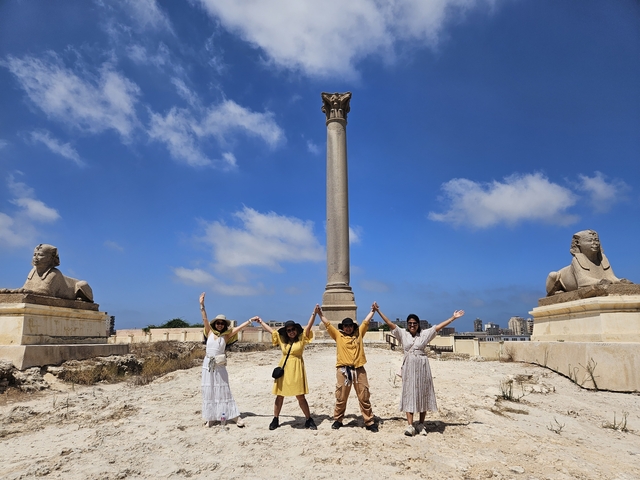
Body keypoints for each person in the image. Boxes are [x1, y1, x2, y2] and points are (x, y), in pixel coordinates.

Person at [373, 302, 464, 436]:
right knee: (409, 394)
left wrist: (453, 318)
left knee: (423, 394)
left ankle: (421, 424)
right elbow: (390, 323)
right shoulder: (403, 334)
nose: (412, 325)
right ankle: (410, 425)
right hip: (409, 367)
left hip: (422, 367)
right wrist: (378, 311)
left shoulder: (425, 334)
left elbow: (438, 327)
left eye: (414, 323)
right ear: (407, 324)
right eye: (410, 323)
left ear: (418, 324)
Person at [315, 304, 378, 432]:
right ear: (343, 327)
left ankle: (369, 421)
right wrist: (320, 314)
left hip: (359, 369)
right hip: (343, 370)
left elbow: (366, 322)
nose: (348, 328)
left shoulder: (359, 333)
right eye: (346, 326)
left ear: (353, 327)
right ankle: (338, 420)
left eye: (350, 326)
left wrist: (373, 311)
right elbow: (328, 325)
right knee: (341, 397)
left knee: (364, 396)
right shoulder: (338, 335)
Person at [199, 292, 255, 428]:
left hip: (219, 365)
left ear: (224, 325)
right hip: (208, 365)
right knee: (209, 390)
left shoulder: (227, 335)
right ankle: (211, 417)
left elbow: (239, 328)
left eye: (221, 323)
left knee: (224, 389)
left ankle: (235, 417)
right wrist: (202, 305)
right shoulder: (210, 332)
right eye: (217, 323)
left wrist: (250, 321)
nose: (219, 325)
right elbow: (205, 319)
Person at [256, 311, 317, 431]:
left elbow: (308, 327)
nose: (291, 332)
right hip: (284, 369)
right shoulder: (282, 340)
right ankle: (275, 418)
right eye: (288, 330)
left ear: (296, 329)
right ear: (286, 332)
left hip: (297, 369)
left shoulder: (301, 339)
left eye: (293, 329)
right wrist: (261, 322)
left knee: (300, 396)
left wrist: (314, 314)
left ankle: (308, 419)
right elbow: (272, 332)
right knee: (280, 396)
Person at [546, 229, 632, 295]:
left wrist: (618, 281)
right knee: (553, 275)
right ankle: (552, 293)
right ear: (577, 243)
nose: (595, 243)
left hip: (599, 281)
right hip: (561, 283)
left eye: (596, 240)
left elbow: (610, 276)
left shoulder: (603, 258)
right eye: (590, 241)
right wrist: (599, 282)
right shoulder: (576, 259)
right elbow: (582, 282)